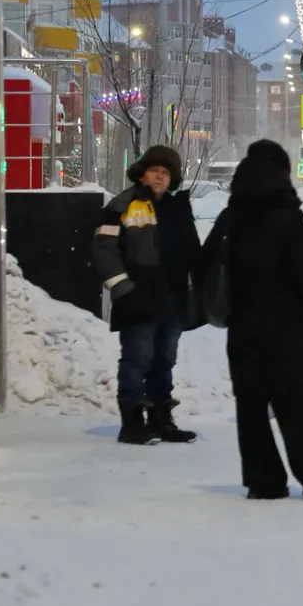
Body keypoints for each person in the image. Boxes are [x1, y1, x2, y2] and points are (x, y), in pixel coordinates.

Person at [198, 139, 303, 500]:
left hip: (244, 328)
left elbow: (204, 264)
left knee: (251, 406)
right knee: (300, 404)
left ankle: (264, 482)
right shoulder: (288, 216)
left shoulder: (230, 216)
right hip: (287, 328)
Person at [92, 145, 201, 446]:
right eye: (155, 170)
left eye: (166, 173)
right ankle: (132, 424)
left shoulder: (178, 208)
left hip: (174, 300)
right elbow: (103, 251)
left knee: (164, 361)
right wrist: (123, 288)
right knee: (137, 360)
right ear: (142, 173)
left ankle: (161, 420)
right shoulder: (123, 205)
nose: (159, 176)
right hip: (138, 300)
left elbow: (193, 252)